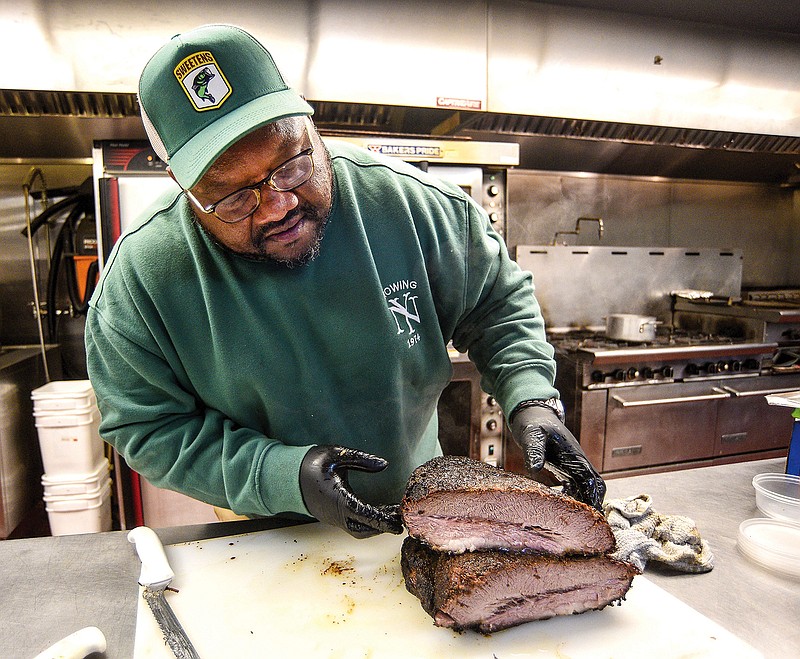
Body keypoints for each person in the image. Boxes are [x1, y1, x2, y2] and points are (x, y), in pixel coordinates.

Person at [85, 24, 605, 539]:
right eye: (235, 196)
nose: (279, 205)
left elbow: (496, 304)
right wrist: (280, 476)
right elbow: (147, 425)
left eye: (292, 164)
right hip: (261, 531)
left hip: (421, 509)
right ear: (181, 184)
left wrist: (531, 395)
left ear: (310, 124)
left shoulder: (411, 207)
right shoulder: (141, 282)